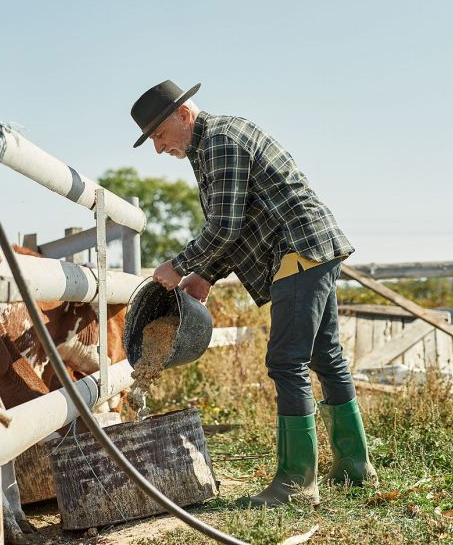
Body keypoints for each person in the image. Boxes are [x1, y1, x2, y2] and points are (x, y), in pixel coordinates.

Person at [130, 80, 377, 507]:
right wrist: (206, 274)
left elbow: (224, 225)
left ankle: (297, 485)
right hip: (309, 247)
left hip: (296, 250)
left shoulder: (220, 141)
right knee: (326, 357)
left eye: (158, 135)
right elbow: (239, 222)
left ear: (184, 114)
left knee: (287, 361)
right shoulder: (212, 143)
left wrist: (181, 266)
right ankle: (355, 468)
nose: (158, 148)